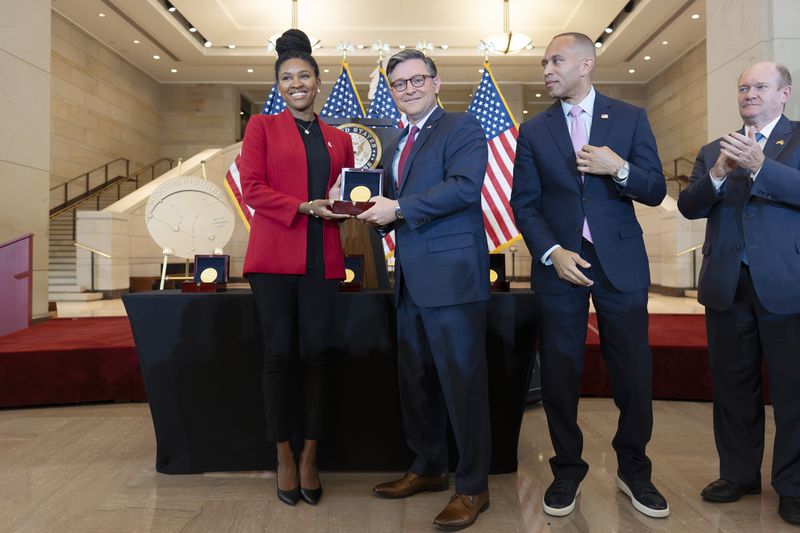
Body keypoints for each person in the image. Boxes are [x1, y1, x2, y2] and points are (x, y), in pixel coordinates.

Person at [510, 32, 668, 518]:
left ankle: (634, 470)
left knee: (633, 371)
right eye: (543, 63)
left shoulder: (629, 118)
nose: (547, 70)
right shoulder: (534, 130)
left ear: (586, 64)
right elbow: (524, 203)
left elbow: (656, 189)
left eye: (556, 61)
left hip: (619, 263)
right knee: (559, 371)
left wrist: (618, 167)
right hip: (561, 265)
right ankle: (566, 470)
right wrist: (552, 251)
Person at [357, 49, 491, 531]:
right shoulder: (396, 143)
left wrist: (397, 208)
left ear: (437, 83)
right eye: (399, 83)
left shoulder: (462, 128)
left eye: (418, 79)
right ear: (391, 91)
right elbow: (394, 206)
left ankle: (473, 487)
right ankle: (429, 467)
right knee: (417, 382)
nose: (409, 88)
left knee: (462, 385)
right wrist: (363, 212)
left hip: (454, 280)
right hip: (410, 281)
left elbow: (463, 187)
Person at [677, 61, 800, 525]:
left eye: (760, 86)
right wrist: (717, 175)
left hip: (787, 285)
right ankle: (738, 474)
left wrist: (761, 167)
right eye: (743, 87)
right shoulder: (715, 148)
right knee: (732, 389)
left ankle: (793, 485)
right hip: (727, 286)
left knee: (793, 392)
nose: (749, 93)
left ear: (784, 93)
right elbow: (690, 206)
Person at [238, 28, 353, 507]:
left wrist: (357, 206)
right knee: (279, 356)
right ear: (279, 86)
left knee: (318, 356)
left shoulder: (340, 139)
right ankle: (283, 454)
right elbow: (253, 188)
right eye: (287, 78)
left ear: (317, 80)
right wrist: (305, 207)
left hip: (322, 260)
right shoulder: (261, 128)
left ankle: (311, 454)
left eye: (304, 75)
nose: (296, 83)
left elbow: (349, 196)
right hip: (273, 259)